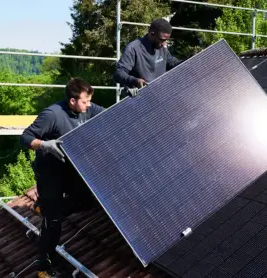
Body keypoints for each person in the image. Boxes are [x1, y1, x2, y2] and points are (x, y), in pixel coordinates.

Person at [20, 77, 105, 278]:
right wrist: (44, 145)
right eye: (85, 101)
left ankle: (51, 208)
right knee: (53, 223)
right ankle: (43, 267)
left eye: (89, 101)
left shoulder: (88, 109)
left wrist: (133, 98)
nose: (89, 105)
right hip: (50, 173)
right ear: (72, 101)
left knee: (91, 199)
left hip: (69, 170)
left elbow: (112, 115)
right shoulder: (52, 115)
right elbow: (25, 137)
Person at [114, 18, 183, 97]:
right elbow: (118, 73)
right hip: (138, 100)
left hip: (159, 98)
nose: (164, 44)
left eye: (166, 40)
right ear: (151, 34)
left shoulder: (162, 50)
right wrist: (135, 81)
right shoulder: (133, 49)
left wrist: (192, 59)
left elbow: (173, 64)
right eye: (162, 40)